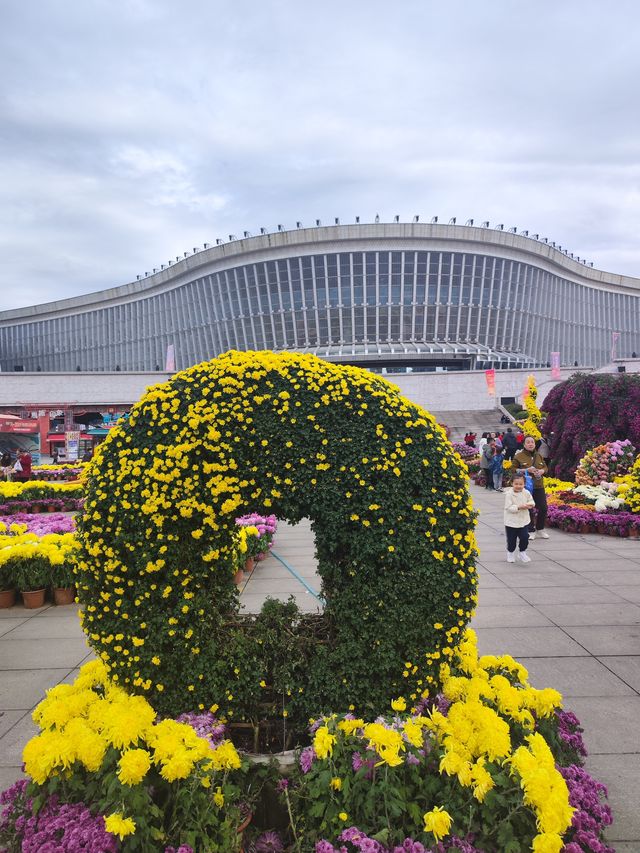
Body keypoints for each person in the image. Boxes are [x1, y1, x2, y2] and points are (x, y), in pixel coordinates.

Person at [514, 436, 549, 539]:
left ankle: (540, 529)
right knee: (529, 509)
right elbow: (513, 469)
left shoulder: (539, 455)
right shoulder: (519, 456)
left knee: (543, 508)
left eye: (532, 442)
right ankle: (531, 530)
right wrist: (525, 470)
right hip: (526, 487)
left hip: (538, 486)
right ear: (524, 444)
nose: (530, 444)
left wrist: (542, 471)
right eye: (528, 442)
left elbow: (545, 467)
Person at [504, 473, 535, 563]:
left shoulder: (526, 492)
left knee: (525, 537)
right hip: (511, 522)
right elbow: (508, 507)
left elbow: (531, 501)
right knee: (511, 540)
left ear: (524, 484)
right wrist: (519, 507)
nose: (518, 486)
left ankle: (522, 552)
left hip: (523, 520)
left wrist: (530, 505)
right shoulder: (509, 494)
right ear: (512, 484)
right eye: (516, 484)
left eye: (521, 484)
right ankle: (510, 553)